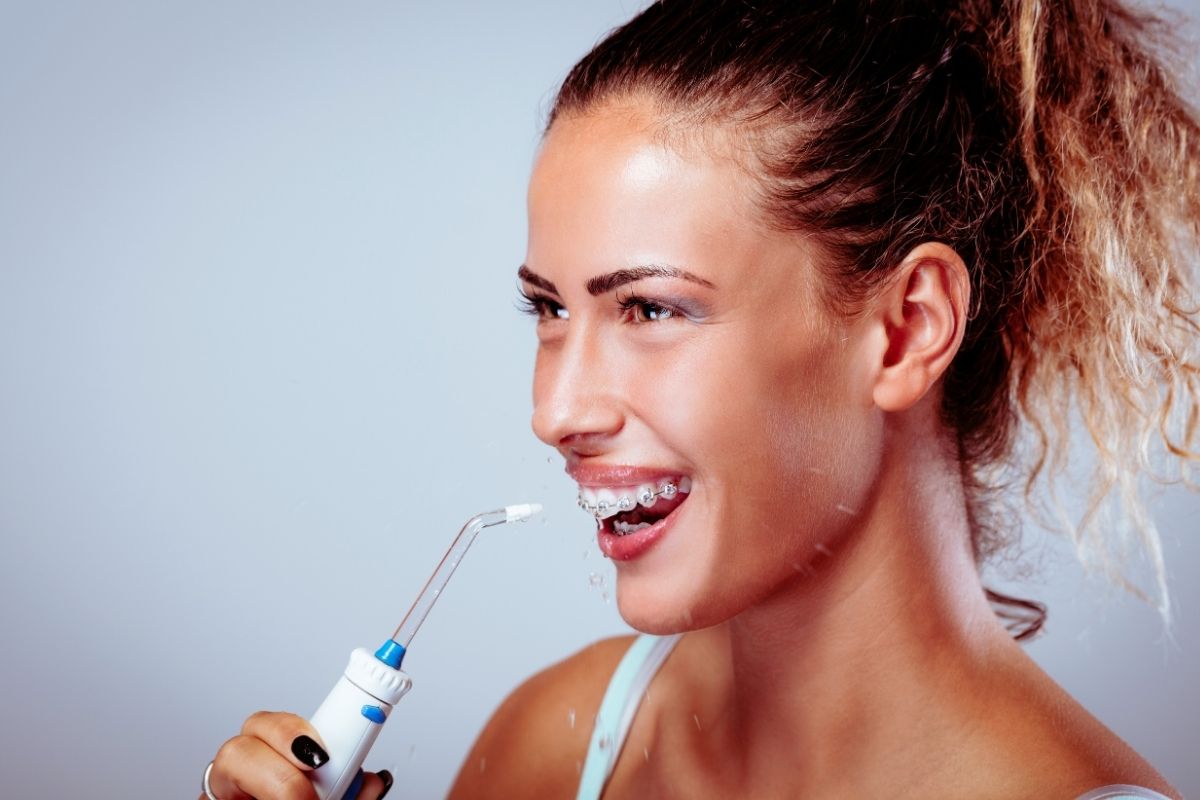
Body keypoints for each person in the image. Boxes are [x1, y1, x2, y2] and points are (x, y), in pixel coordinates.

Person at [201, 1, 1199, 797]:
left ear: (903, 328)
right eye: (548, 308)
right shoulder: (558, 744)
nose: (556, 411)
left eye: (650, 308)